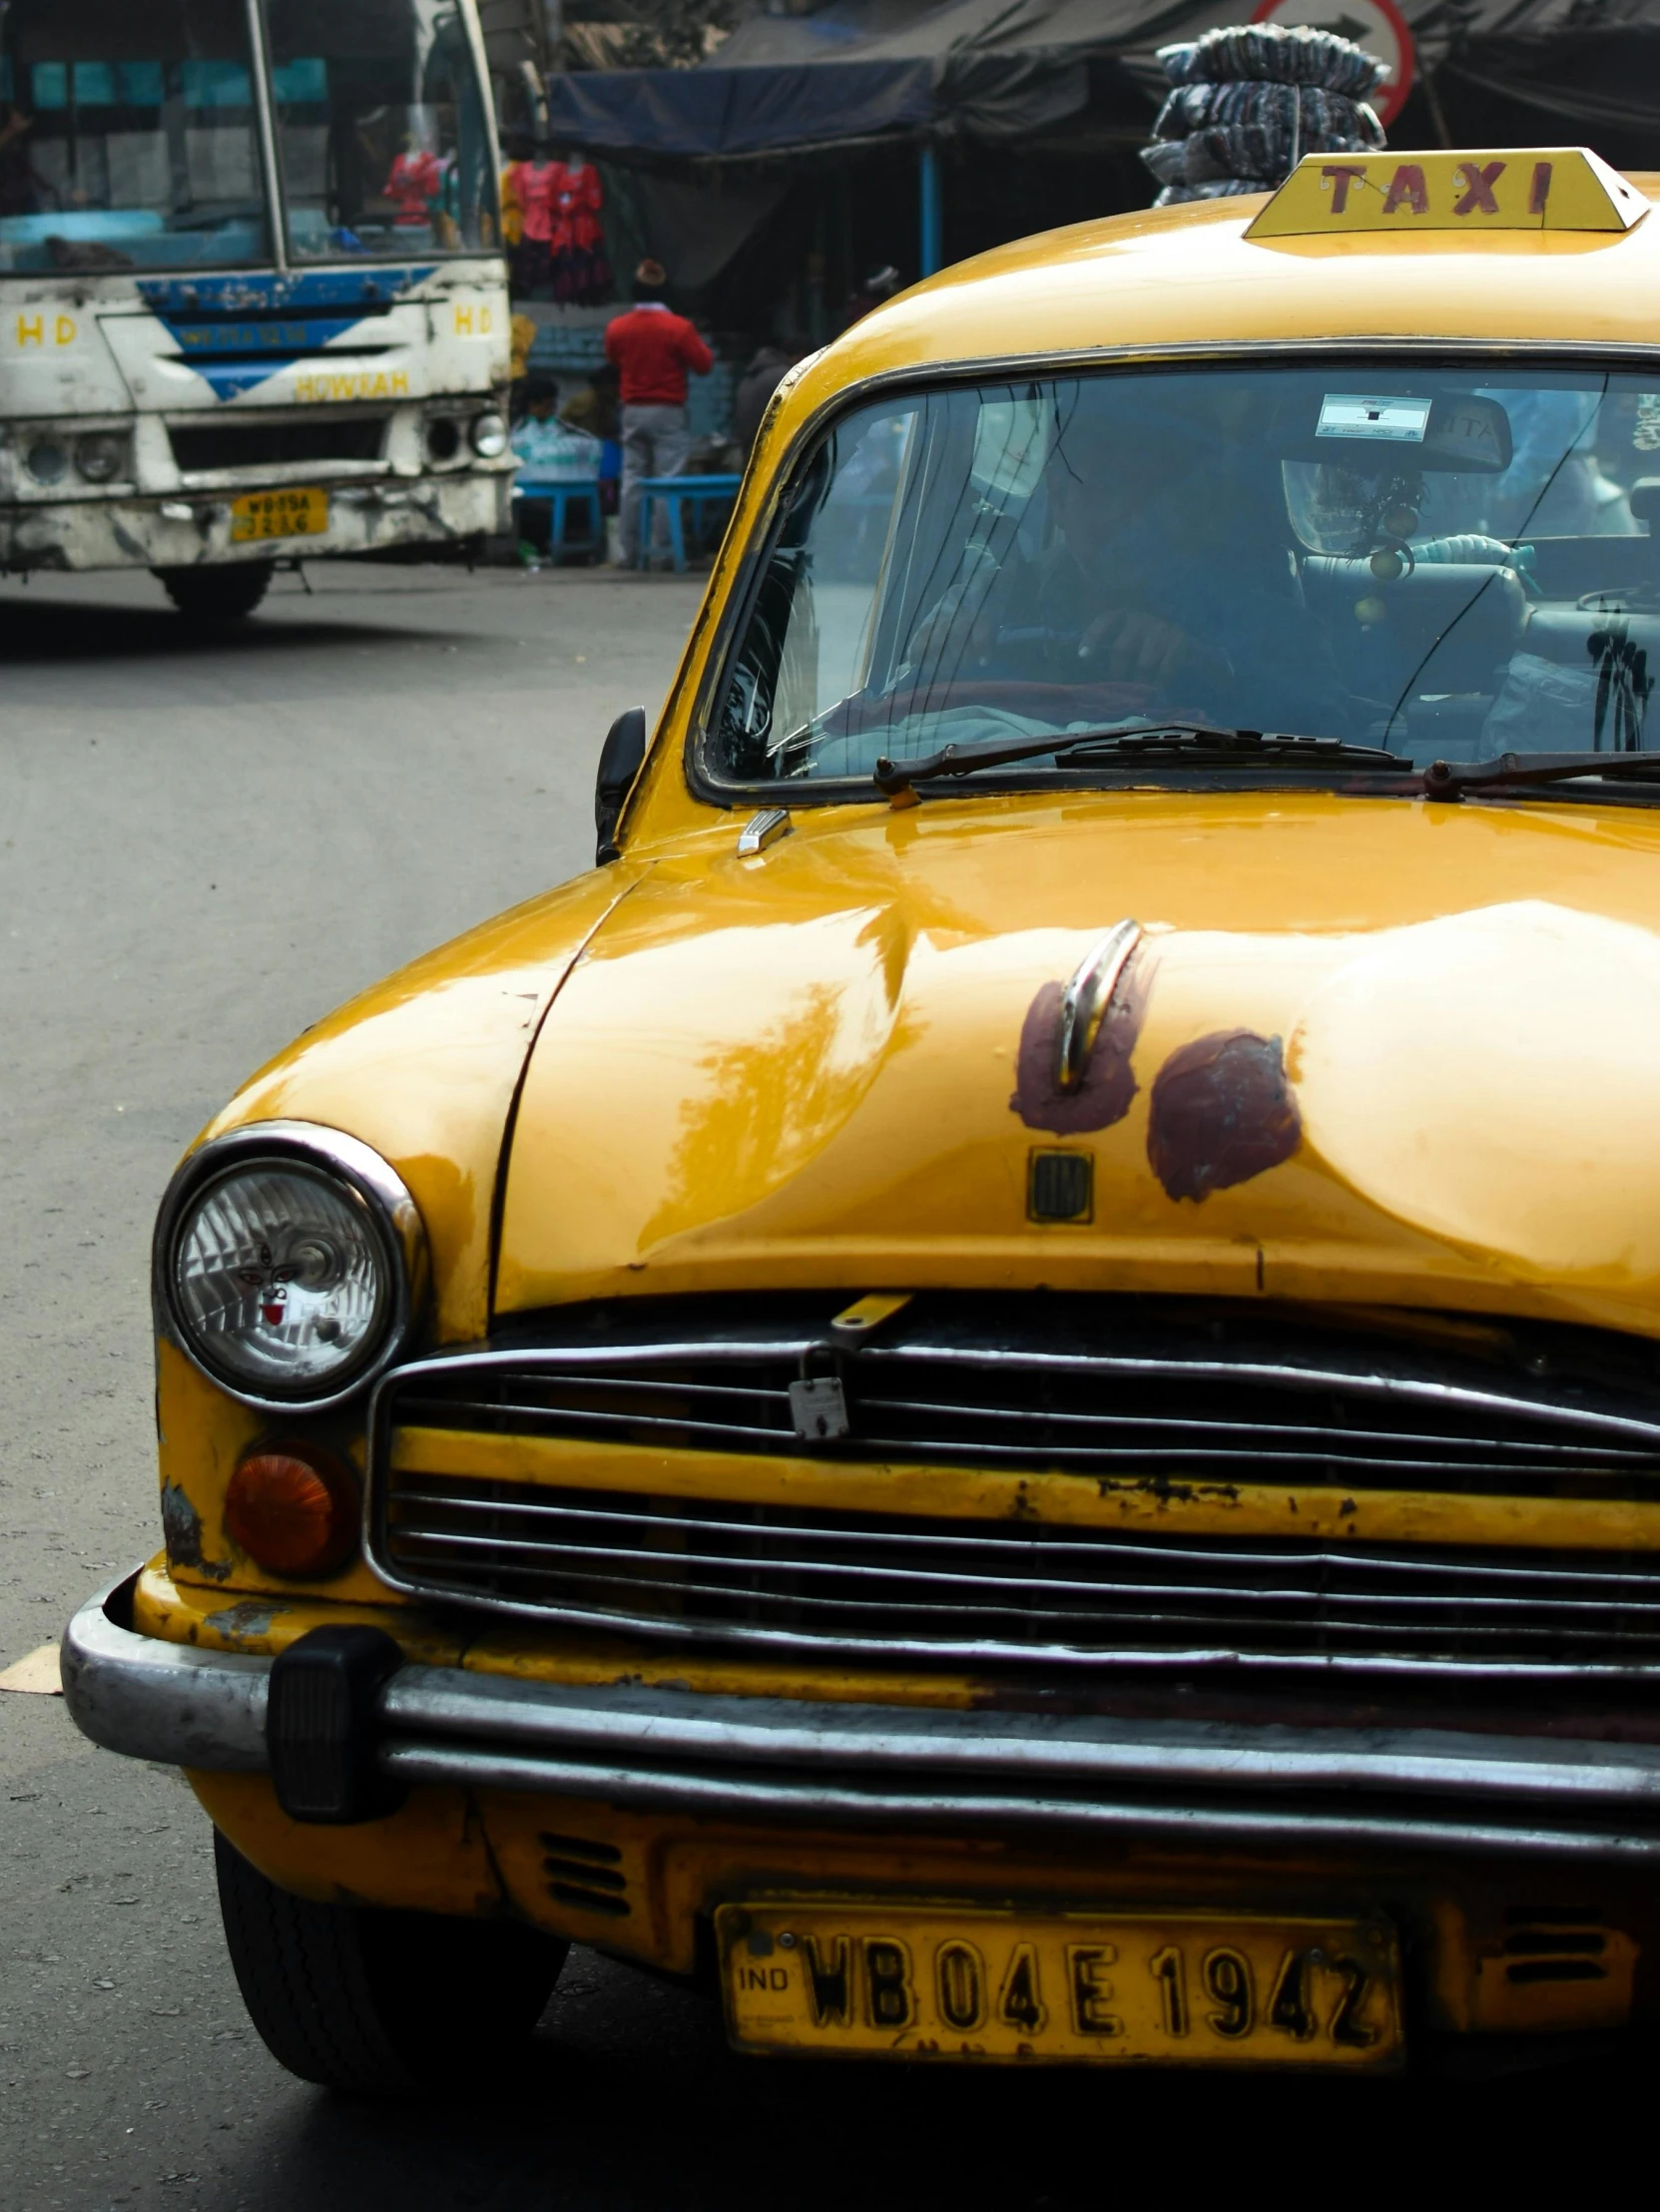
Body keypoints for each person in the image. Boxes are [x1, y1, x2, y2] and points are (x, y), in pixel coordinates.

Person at [604, 259, 713, 567]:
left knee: (632, 481)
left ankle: (628, 553)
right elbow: (704, 365)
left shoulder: (618, 328)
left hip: (632, 411)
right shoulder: (678, 328)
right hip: (668, 412)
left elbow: (613, 358)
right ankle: (665, 552)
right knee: (668, 481)